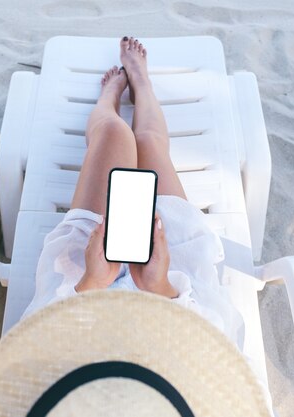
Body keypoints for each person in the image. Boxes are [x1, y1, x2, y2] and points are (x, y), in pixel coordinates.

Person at [22, 37, 245, 349]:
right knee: (149, 144)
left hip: (82, 284)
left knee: (113, 133)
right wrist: (160, 287)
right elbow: (221, 347)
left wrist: (92, 284)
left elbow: (28, 347)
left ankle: (109, 100)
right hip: (174, 282)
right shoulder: (210, 389)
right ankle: (141, 83)